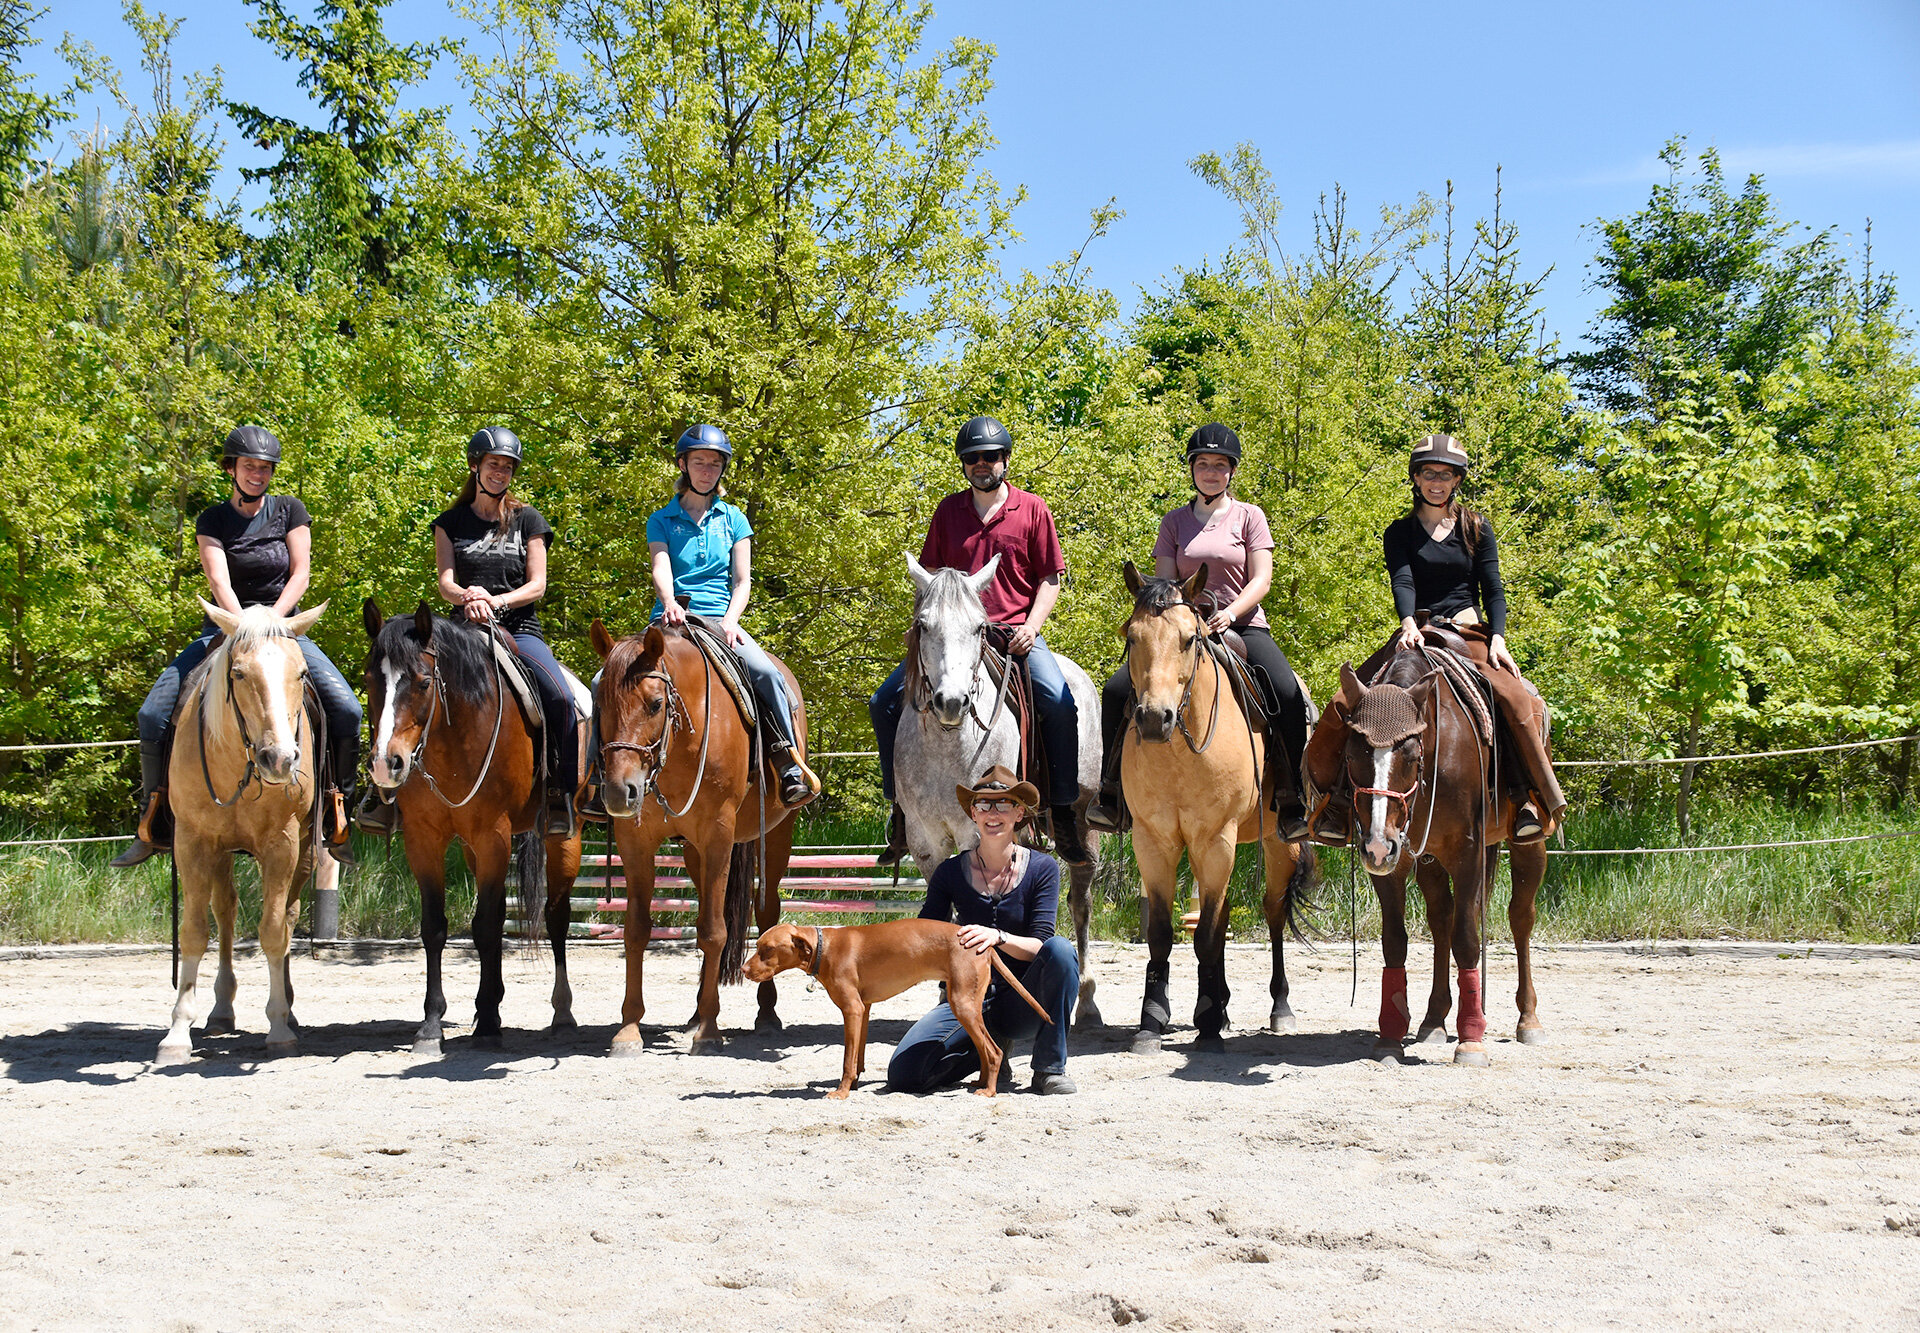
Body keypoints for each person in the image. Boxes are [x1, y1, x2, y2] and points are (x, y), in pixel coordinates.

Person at [112, 425, 363, 868]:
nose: (257, 475)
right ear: (231, 468)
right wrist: (244, 625)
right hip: (226, 630)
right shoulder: (212, 519)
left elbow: (300, 574)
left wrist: (276, 623)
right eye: (249, 466)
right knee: (152, 713)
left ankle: (336, 811)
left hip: (283, 630)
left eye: (265, 469)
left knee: (347, 709)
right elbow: (217, 580)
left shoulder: (290, 510)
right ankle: (153, 819)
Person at [1306, 433, 1567, 845]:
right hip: (1418, 629)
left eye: (1446, 475)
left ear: (1457, 480)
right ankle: (1335, 804)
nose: (1437, 482)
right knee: (1344, 704)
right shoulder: (1400, 531)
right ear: (1415, 477)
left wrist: (1497, 638)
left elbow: (1493, 587)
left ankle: (1530, 797)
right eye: (1429, 473)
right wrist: (1407, 621)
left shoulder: (1477, 527)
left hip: (1466, 628)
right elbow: (1404, 579)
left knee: (1517, 698)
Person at [867, 415, 1090, 865]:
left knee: (1058, 702)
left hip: (1013, 633)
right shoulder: (949, 512)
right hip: (955, 635)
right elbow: (929, 580)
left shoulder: (1032, 509)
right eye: (973, 459)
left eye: (990, 457)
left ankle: (1062, 811)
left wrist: (1032, 626)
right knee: (883, 701)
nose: (982, 465)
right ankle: (899, 810)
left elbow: (1050, 578)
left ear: (1005, 460)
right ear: (964, 465)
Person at [1086, 424, 1312, 840]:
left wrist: (1229, 613)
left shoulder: (1250, 517)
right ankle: (1111, 794)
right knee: (1118, 689)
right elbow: (1165, 585)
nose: (1211, 472)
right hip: (1183, 628)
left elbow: (1262, 579)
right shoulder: (1173, 522)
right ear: (1191, 469)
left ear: (1232, 472)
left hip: (1241, 625)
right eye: (1203, 464)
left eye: (1220, 466)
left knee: (1285, 691)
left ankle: (1293, 798)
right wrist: (1179, 617)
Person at [361, 426, 579, 837]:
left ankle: (559, 795)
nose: (501, 473)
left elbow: (538, 585)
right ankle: (383, 795)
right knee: (398, 687)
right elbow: (445, 582)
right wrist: (467, 597)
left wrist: (495, 601)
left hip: (517, 627)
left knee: (561, 696)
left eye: (508, 467)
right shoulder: (449, 522)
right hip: (459, 632)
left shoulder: (528, 519)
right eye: (494, 464)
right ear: (475, 465)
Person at [643, 424, 818, 807]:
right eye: (699, 462)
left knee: (768, 674)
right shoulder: (661, 519)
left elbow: (742, 580)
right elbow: (661, 567)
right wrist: (669, 601)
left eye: (714, 463)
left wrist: (732, 620)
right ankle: (595, 777)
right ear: (683, 465)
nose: (706, 469)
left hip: (720, 621)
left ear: (722, 470)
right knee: (605, 677)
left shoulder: (734, 519)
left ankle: (787, 764)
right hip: (671, 618)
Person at [885, 764, 1080, 1096]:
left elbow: (1041, 945)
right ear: (972, 813)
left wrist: (997, 937)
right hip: (966, 997)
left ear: (1019, 812)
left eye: (1004, 804)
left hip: (1023, 999)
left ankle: (1048, 1068)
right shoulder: (949, 872)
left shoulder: (1043, 868)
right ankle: (987, 1053)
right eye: (984, 805)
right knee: (905, 1075)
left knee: (1062, 951)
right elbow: (922, 933)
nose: (993, 813)